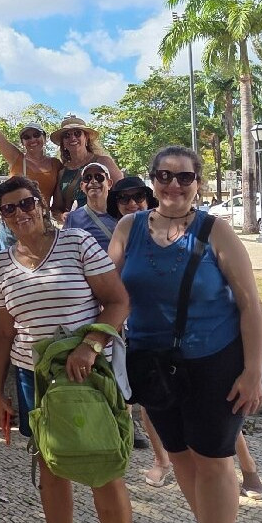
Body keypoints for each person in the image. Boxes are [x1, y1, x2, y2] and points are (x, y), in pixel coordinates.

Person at [108, 146, 262, 523]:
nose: (174, 185)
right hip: (152, 363)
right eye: (164, 175)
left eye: (184, 177)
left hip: (215, 361)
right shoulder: (128, 227)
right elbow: (108, 290)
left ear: (198, 182)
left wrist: (253, 371)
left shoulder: (216, 231)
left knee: (213, 460)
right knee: (179, 456)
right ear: (152, 180)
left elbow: (250, 305)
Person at [0, 175, 134, 523]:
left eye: (26, 203)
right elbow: (2, 332)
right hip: (31, 377)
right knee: (51, 468)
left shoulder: (77, 243)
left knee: (104, 466)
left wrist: (91, 345)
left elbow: (118, 301)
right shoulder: (0, 264)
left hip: (85, 373)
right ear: (2, 217)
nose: (20, 213)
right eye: (9, 208)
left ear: (40, 203)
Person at [107, 176, 170, 479]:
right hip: (138, 331)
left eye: (138, 197)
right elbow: (111, 284)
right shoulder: (123, 232)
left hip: (179, 330)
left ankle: (246, 467)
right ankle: (162, 461)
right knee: (147, 402)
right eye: (123, 198)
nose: (131, 203)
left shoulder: (168, 227)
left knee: (206, 406)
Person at [0, 79, 62, 249]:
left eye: (36, 135)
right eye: (27, 137)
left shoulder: (56, 164)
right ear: (22, 142)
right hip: (11, 222)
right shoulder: (16, 159)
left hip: (40, 223)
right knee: (8, 263)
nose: (32, 139)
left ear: (44, 138)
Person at [51, 116, 123, 219]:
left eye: (77, 133)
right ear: (63, 143)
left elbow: (123, 192)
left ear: (86, 138)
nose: (72, 138)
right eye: (67, 135)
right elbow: (56, 209)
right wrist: (62, 216)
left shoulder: (103, 161)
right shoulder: (62, 172)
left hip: (106, 224)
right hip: (76, 226)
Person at [63, 162, 117, 249]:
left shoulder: (121, 214)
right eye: (87, 178)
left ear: (109, 183)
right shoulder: (72, 219)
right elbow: (66, 250)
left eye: (99, 177)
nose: (93, 181)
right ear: (82, 186)